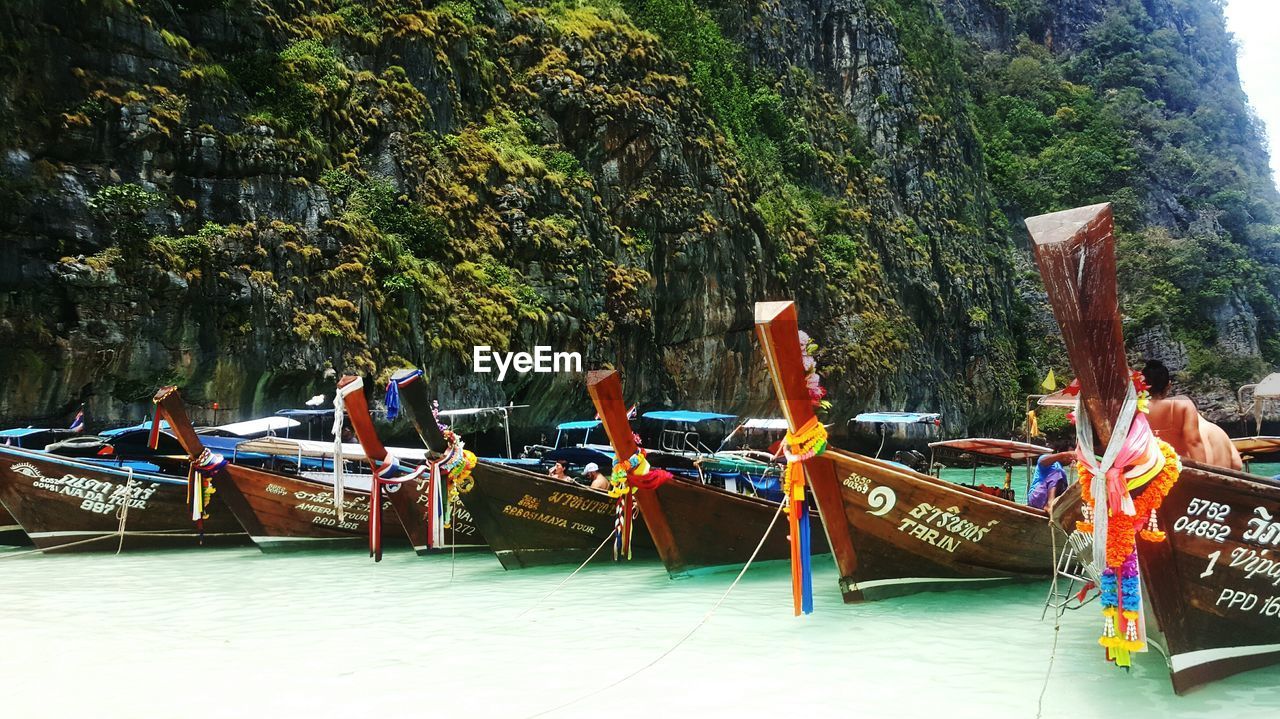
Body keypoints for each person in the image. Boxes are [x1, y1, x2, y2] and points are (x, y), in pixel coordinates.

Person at [1141, 360, 1242, 470]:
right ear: (1169, 385)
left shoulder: (1136, 407)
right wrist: (1203, 472)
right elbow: (1193, 442)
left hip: (1148, 470)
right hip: (1179, 470)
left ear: (1142, 385)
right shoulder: (1181, 403)